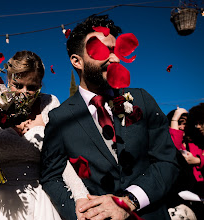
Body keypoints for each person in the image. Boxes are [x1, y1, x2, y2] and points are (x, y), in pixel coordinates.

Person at [40, 14, 179, 220]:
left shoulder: (141, 98)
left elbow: (168, 161)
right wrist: (77, 213)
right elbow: (50, 175)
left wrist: (128, 202)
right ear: (77, 61)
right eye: (102, 51)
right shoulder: (60, 117)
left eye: (115, 51)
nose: (114, 58)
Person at [0, 51, 87, 220]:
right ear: (8, 80)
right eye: (18, 85)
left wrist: (80, 195)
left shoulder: (49, 104)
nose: (24, 92)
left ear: (40, 85)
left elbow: (60, 158)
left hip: (39, 198)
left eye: (32, 87)